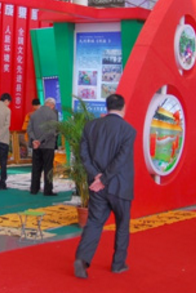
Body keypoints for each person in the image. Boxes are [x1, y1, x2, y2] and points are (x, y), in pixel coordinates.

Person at [74, 94, 136, 279]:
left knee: (94, 222)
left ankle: (82, 259)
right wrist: (105, 178)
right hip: (120, 186)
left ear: (107, 107)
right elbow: (121, 159)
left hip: (97, 186)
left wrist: (96, 176)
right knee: (122, 224)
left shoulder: (91, 126)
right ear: (123, 107)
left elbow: (83, 155)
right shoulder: (129, 130)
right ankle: (118, 264)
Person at [27, 98, 59, 196]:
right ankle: (47, 190)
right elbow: (52, 131)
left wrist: (35, 140)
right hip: (48, 145)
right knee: (48, 167)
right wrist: (41, 140)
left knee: (36, 167)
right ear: (52, 105)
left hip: (36, 146)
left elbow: (29, 129)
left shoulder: (34, 114)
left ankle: (34, 189)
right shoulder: (53, 114)